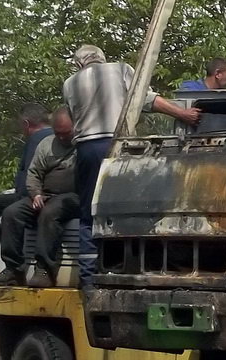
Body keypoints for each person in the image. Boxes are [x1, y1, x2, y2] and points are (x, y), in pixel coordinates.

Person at [63, 44, 200, 285]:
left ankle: (88, 278)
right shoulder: (121, 69)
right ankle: (127, 267)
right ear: (103, 58)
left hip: (86, 148)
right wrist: (182, 114)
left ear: (79, 64)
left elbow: (76, 118)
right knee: (125, 207)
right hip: (118, 145)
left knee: (88, 214)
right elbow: (147, 99)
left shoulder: (69, 83)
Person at [0, 107, 80, 287]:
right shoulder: (46, 144)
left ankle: (44, 269)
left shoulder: (83, 145)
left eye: (66, 133)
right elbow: (34, 173)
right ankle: (13, 269)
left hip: (72, 198)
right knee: (11, 212)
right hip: (45, 195)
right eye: (58, 133)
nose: (62, 137)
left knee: (49, 213)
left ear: (76, 127)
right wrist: (36, 193)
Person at [0, 103, 53, 264]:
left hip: (33, 197)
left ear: (26, 124)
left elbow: (29, 176)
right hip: (51, 195)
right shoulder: (55, 136)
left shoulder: (35, 140)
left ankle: (0, 256)